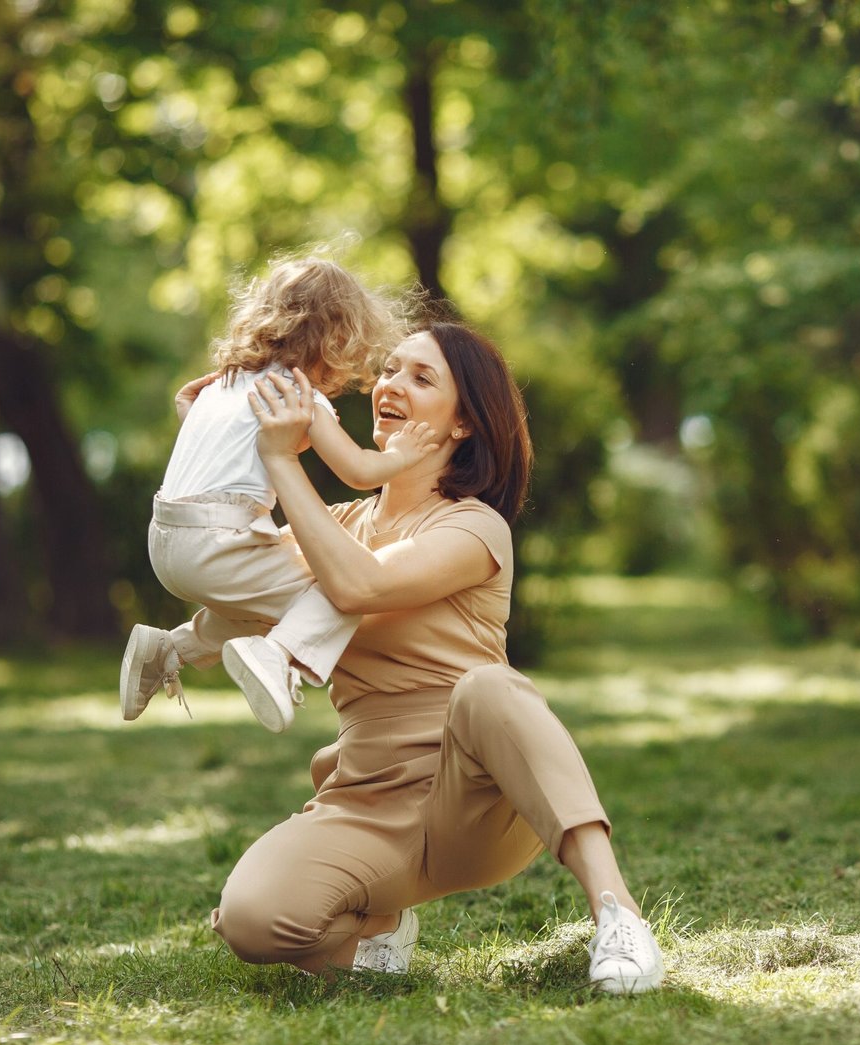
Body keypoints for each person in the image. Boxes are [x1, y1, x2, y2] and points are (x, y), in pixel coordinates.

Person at [207, 322, 666, 993]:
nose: (391, 385)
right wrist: (213, 424)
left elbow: (360, 584)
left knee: (488, 689)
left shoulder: (474, 524)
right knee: (250, 920)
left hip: (475, 798)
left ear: (463, 424)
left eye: (422, 377)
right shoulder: (334, 526)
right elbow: (232, 580)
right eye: (389, 370)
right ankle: (377, 934)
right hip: (369, 799)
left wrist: (283, 462)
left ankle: (618, 914)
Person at [119, 256, 438, 734]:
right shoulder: (298, 395)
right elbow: (355, 470)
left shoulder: (221, 385)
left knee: (267, 604)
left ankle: (169, 649)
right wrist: (402, 454)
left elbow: (223, 452)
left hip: (167, 540)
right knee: (339, 591)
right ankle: (277, 657)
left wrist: (191, 414)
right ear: (338, 340)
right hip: (217, 540)